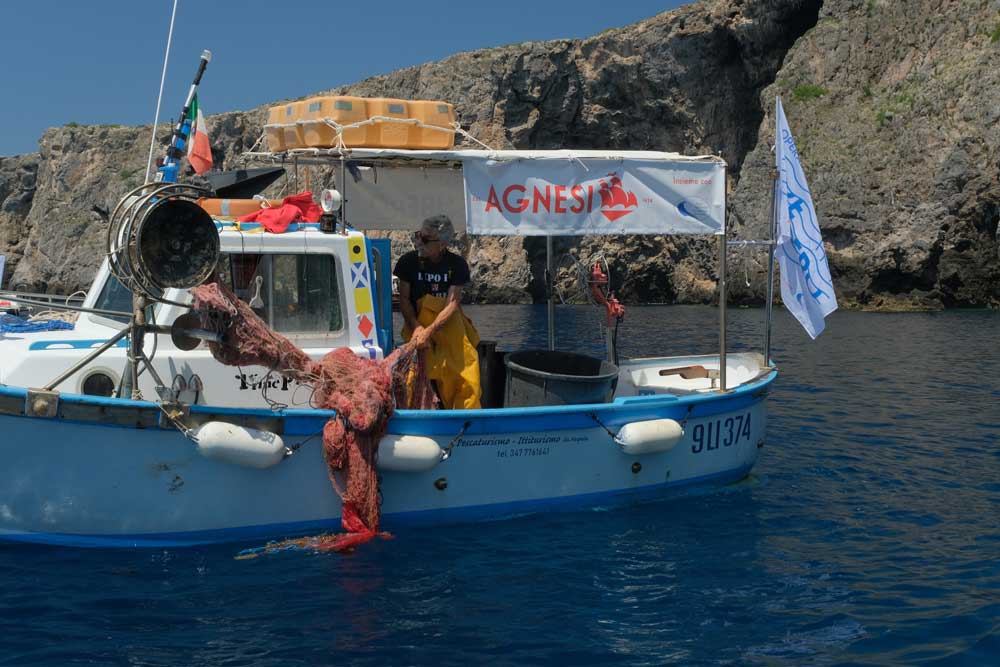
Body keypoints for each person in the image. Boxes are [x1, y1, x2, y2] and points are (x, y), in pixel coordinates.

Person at [393, 214, 481, 409]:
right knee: (411, 379)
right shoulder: (408, 262)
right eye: (418, 236)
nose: (419, 243)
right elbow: (405, 299)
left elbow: (452, 303)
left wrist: (430, 331)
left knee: (466, 377)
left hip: (448, 327)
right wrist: (416, 328)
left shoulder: (457, 265)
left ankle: (464, 419)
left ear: (442, 244)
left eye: (425, 239)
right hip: (416, 326)